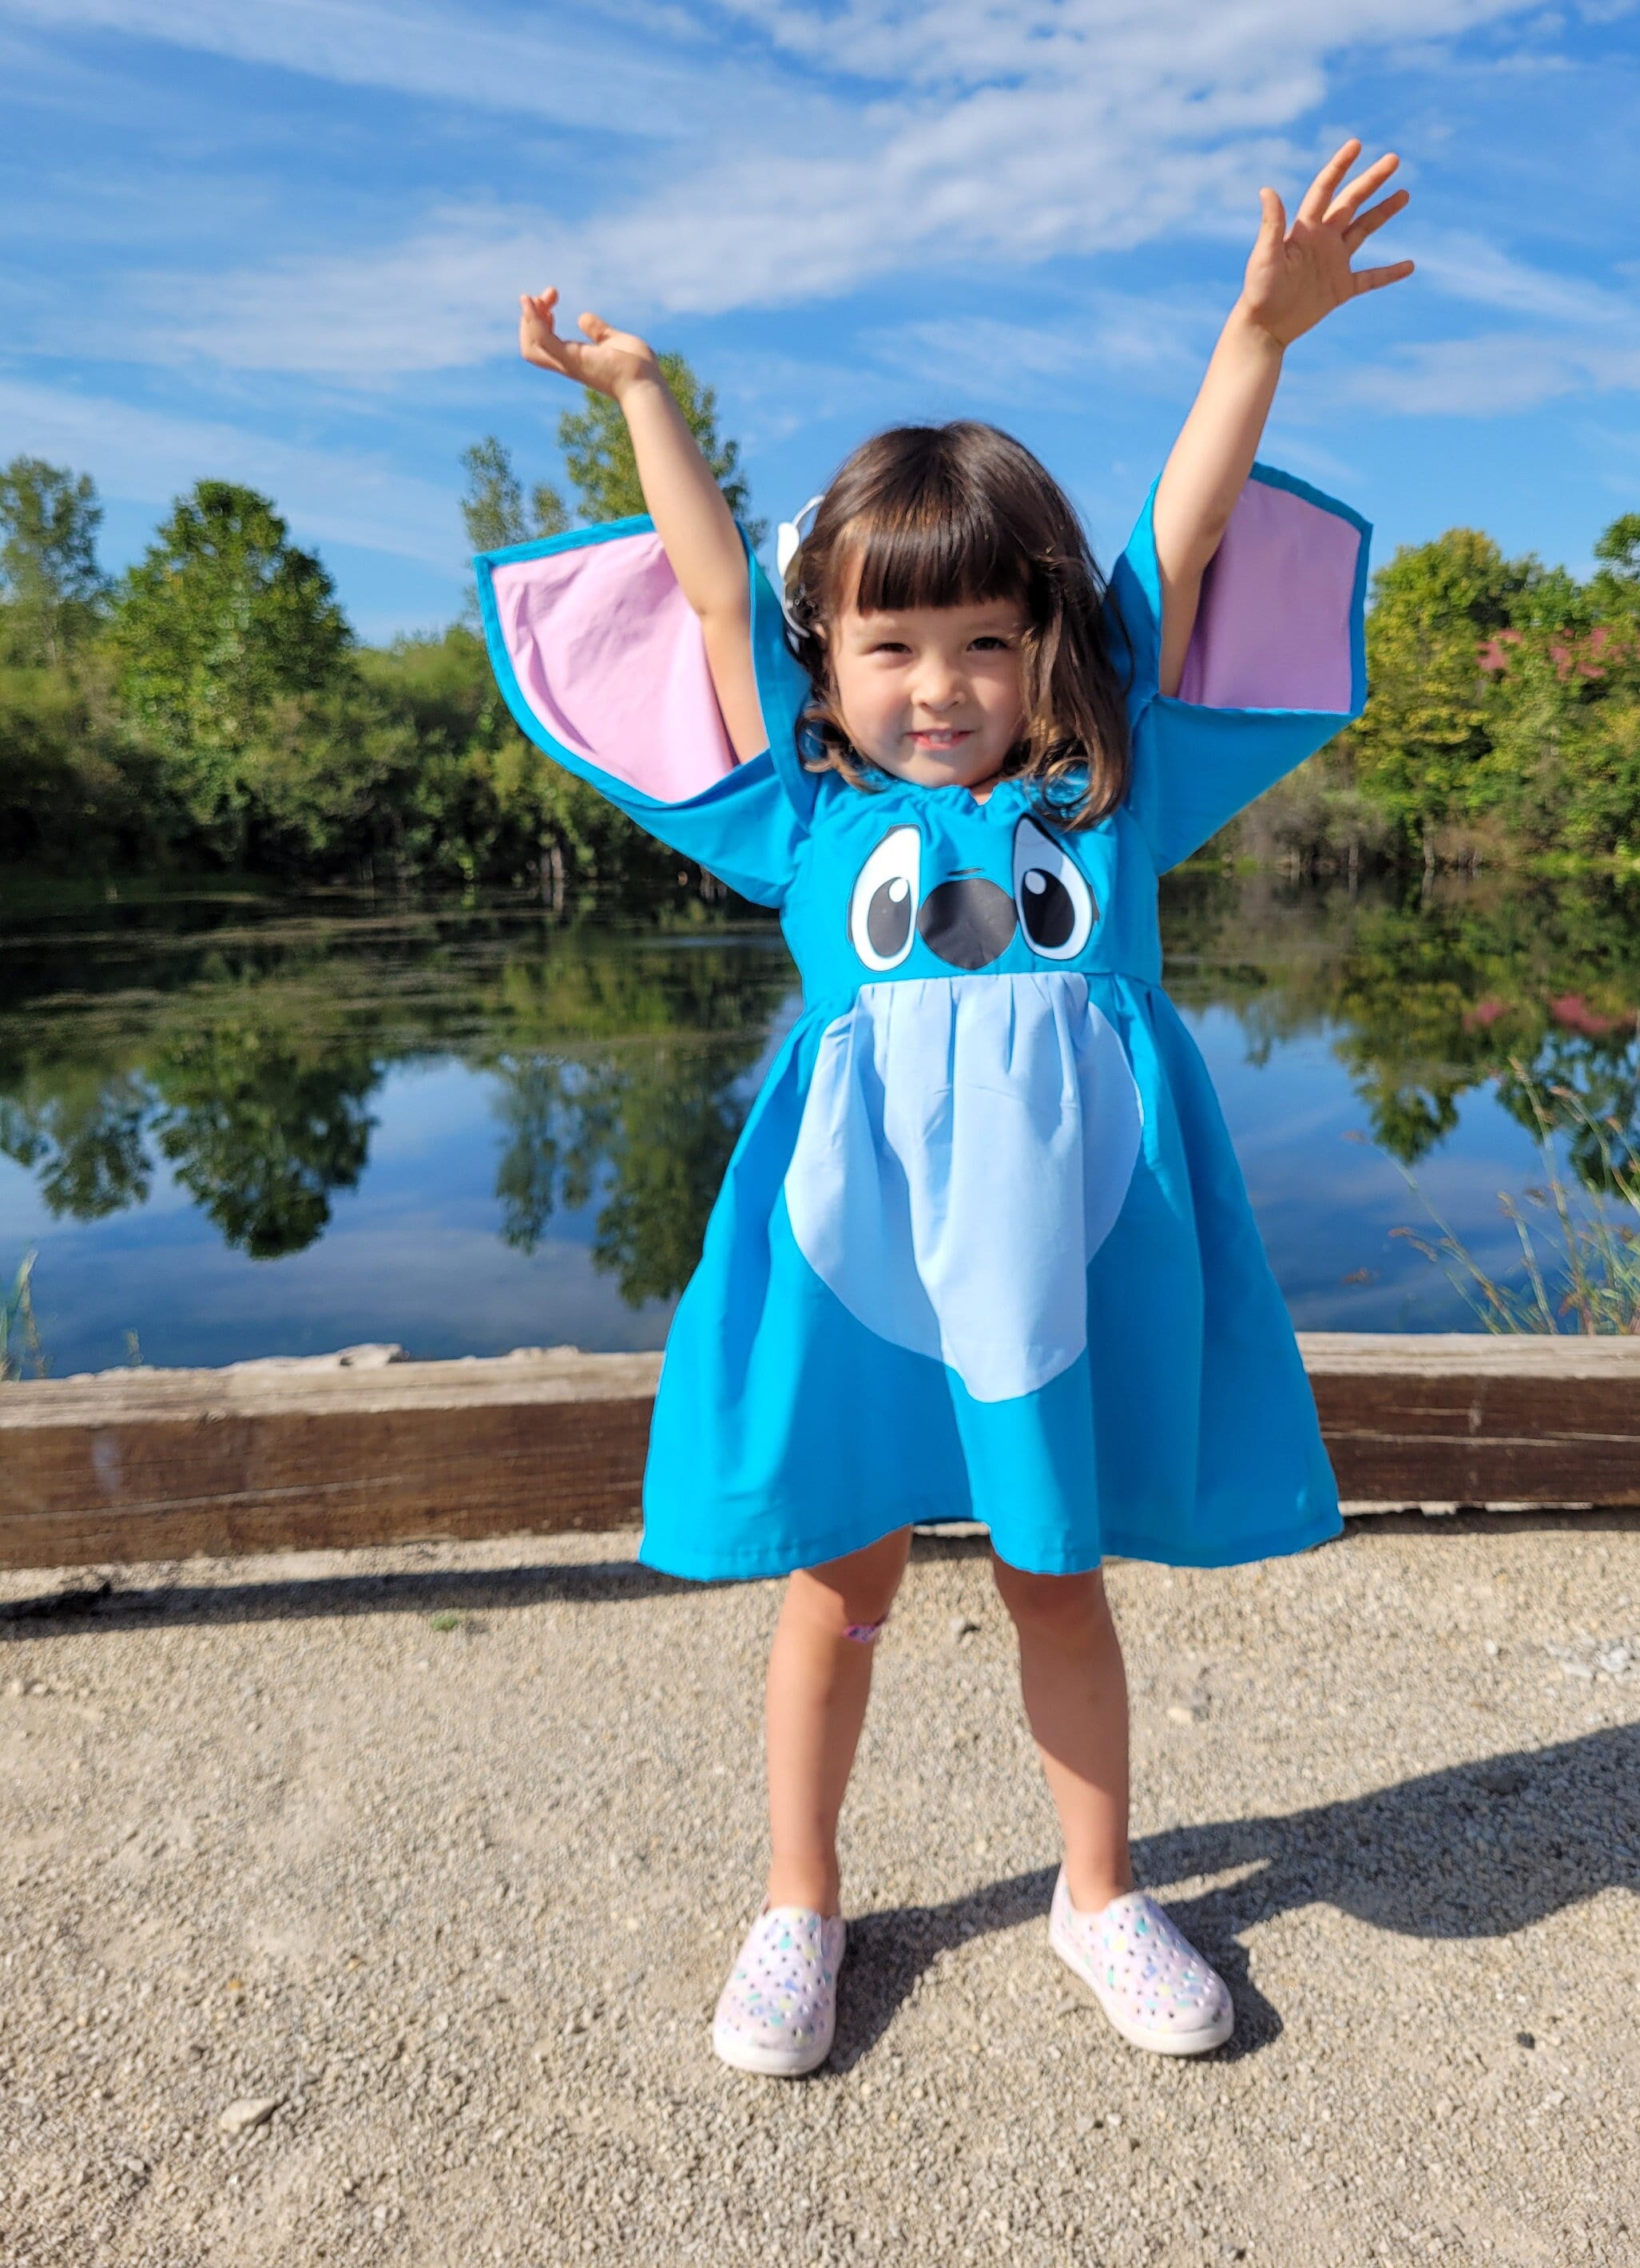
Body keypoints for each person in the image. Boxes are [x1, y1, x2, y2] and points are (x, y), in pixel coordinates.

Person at [486, 140, 1412, 2076]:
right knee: (842, 1576)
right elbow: (720, 592)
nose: (941, 683)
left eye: (987, 641)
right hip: (867, 1256)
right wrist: (645, 397)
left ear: (1045, 651)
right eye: (894, 645)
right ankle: (798, 1905)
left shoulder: (1108, 791)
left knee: (1057, 1576)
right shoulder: (809, 819)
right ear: (836, 661)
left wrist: (1257, 334)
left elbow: (1183, 534)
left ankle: (1099, 1894)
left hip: (1051, 1268)